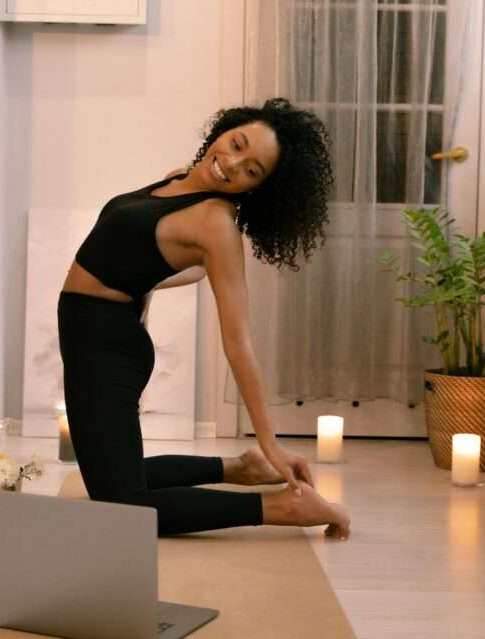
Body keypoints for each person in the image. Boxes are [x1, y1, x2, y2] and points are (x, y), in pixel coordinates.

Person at [58, 97, 350, 539]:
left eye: (251, 170)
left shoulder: (215, 223)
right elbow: (155, 260)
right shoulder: (180, 180)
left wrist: (271, 442)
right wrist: (146, 295)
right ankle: (240, 469)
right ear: (224, 130)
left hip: (106, 349)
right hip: (96, 335)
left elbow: (239, 344)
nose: (231, 163)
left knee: (122, 509)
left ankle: (283, 507)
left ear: (259, 188)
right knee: (109, 485)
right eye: (236, 144)